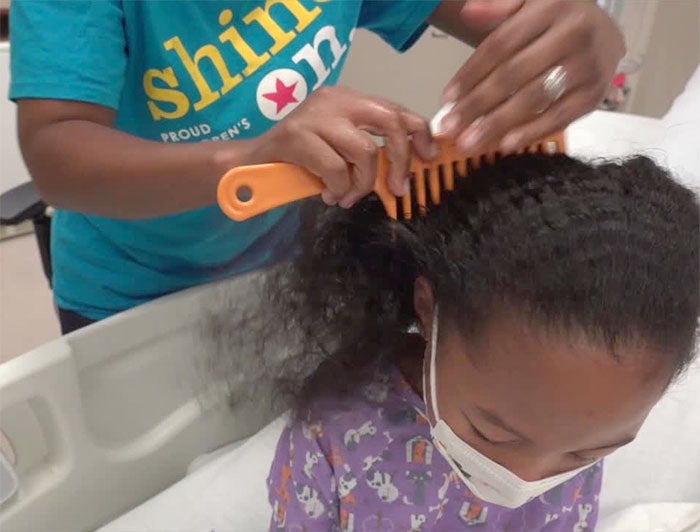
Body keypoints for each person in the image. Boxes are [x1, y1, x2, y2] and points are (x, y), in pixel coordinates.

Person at [9, 0, 624, 334]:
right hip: (127, 291)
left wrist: (583, 27)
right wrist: (244, 159)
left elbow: (514, 17)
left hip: (284, 262)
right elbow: (60, 154)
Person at [249, 153, 698, 529]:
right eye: (491, 434)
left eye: (587, 453)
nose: (525, 480)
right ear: (429, 309)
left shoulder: (571, 428)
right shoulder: (337, 426)